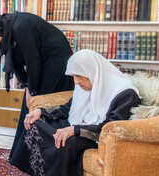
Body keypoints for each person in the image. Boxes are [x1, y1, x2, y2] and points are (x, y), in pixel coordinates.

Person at [9, 49, 141, 176]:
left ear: (93, 72)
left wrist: (75, 130)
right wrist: (42, 111)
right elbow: (68, 108)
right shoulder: (86, 85)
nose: (76, 82)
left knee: (65, 141)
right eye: (74, 76)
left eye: (79, 76)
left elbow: (110, 128)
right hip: (78, 125)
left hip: (97, 136)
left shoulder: (125, 93)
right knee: (36, 123)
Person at [0, 9, 75, 158]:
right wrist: (28, 88)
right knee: (30, 107)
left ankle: (45, 156)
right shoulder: (6, 31)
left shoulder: (20, 27)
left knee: (41, 106)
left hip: (56, 61)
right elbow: (17, 63)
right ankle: (22, 156)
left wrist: (33, 92)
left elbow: (33, 63)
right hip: (41, 63)